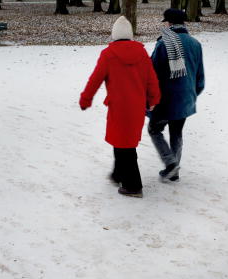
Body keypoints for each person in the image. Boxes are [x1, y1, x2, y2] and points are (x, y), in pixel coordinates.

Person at [79, 16, 161, 198]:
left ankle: (133, 186)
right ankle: (118, 174)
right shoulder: (141, 53)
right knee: (123, 141)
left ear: (114, 35)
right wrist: (154, 99)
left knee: (125, 146)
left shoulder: (109, 54)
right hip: (137, 107)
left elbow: (95, 79)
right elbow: (151, 79)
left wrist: (86, 99)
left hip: (118, 108)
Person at [148, 8, 205, 183]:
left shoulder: (163, 43)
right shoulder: (195, 44)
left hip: (166, 99)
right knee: (177, 133)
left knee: (154, 129)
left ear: (170, 23)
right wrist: (192, 94)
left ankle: (171, 164)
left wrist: (150, 98)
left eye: (165, 22)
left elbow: (152, 73)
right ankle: (174, 172)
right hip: (186, 98)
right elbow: (199, 77)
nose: (164, 24)